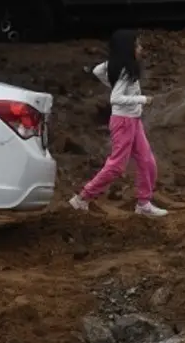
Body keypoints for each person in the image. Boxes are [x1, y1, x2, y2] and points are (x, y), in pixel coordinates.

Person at [69, 29, 168, 218]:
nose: (140, 48)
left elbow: (98, 70)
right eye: (137, 45)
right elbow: (116, 99)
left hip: (133, 121)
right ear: (127, 48)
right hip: (123, 122)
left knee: (147, 161)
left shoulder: (122, 67)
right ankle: (82, 198)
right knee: (116, 165)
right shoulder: (125, 72)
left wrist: (112, 82)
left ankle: (144, 203)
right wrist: (142, 99)